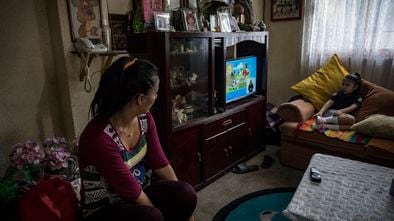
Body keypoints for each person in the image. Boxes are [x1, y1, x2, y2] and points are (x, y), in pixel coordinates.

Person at [78, 57, 197, 221]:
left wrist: (186, 210)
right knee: (152, 217)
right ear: (140, 99)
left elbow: (160, 162)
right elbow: (131, 192)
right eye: (155, 92)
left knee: (185, 193)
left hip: (139, 189)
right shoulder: (99, 139)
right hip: (105, 207)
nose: (156, 97)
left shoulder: (144, 119)